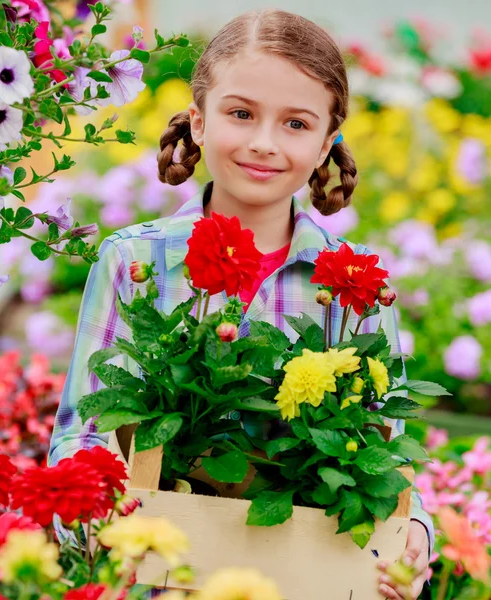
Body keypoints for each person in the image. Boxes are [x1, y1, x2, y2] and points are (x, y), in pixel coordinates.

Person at [49, 9, 434, 599]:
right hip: (159, 570)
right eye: (241, 113)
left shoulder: (354, 282)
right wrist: (95, 519)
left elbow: (386, 454)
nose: (263, 143)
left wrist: (413, 539)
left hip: (303, 574)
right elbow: (85, 428)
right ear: (198, 123)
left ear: (328, 142)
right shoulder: (135, 259)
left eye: (296, 124)